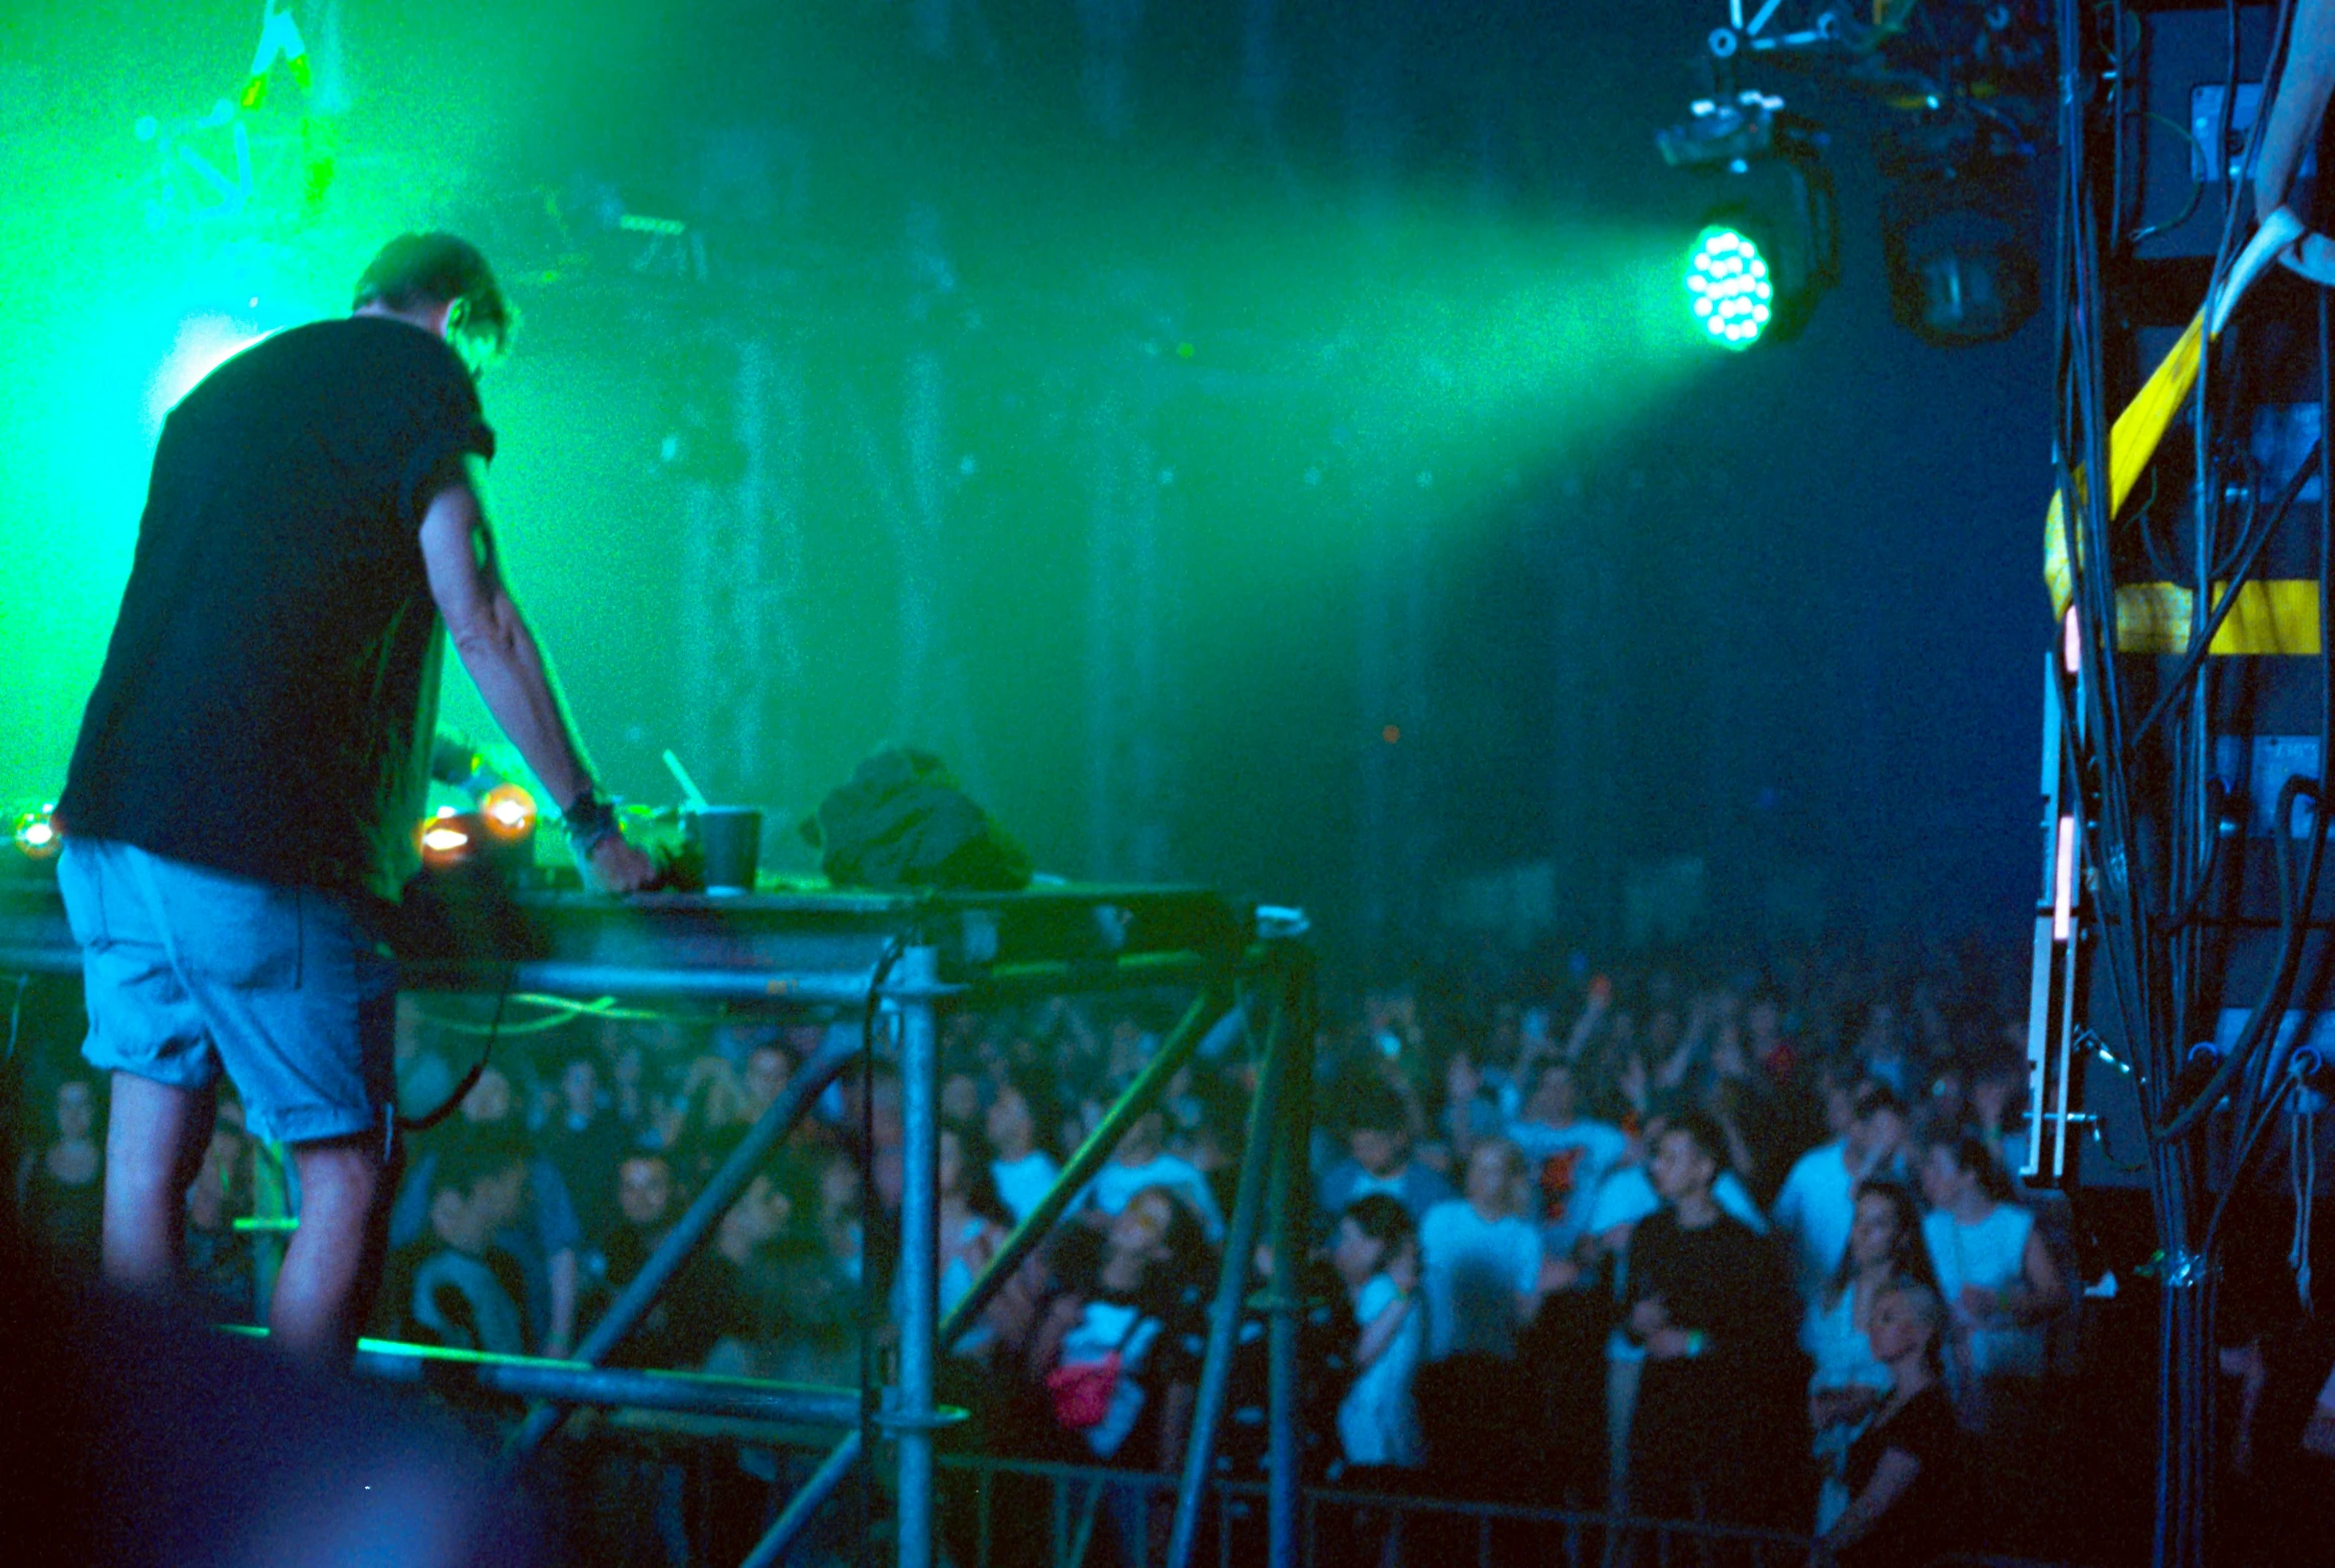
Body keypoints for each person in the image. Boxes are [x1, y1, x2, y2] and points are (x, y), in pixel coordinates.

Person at [53, 231, 655, 1364]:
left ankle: (136, 1485)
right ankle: (290, 1491)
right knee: (342, 1168)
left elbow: (240, 617)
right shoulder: (421, 377)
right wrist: (591, 823)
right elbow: (482, 617)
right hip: (250, 844)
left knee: (146, 1156)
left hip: (113, 821)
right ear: (464, 319)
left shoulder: (226, 390)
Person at [1623, 1111, 1801, 1533]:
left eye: (1670, 1157)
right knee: (1658, 1529)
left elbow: (1768, 1338)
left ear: (1704, 1169)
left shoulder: (1744, 1248)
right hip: (1660, 1409)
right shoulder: (1650, 1233)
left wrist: (1694, 1342)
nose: (1657, 1166)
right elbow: (1628, 1319)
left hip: (1723, 1415)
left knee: (1722, 1532)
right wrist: (1634, 1319)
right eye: (1657, 1157)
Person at [1805, 1181, 1935, 1532]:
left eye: (1877, 1224)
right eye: (1859, 1220)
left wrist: (1860, 1401)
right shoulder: (1831, 1299)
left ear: (1901, 1235)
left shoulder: (1910, 1304)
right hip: (1829, 1454)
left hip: (1882, 1451)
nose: (1862, 1232)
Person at [1813, 1281, 1962, 1567]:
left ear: (1921, 1331)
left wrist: (1821, 1552)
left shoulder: (1926, 1412)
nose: (1873, 1328)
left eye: (1887, 1318)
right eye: (1873, 1319)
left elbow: (1873, 1506)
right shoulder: (1891, 1400)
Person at [1773, 1081, 1908, 1303]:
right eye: (1877, 1130)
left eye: (1892, 1133)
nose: (1886, 1142)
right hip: (1815, 1311)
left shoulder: (1902, 1176)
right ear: (1854, 1128)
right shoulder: (1811, 1170)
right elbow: (1779, 1232)